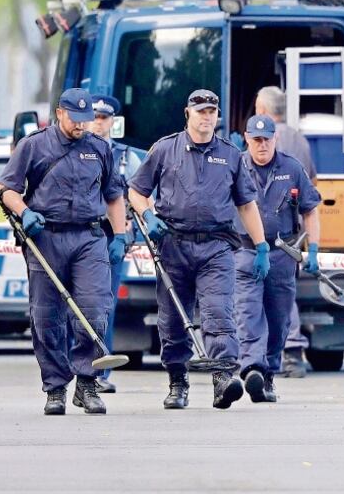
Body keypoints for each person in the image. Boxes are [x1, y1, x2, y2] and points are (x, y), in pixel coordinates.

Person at [127, 89, 268, 411]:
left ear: (217, 116)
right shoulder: (165, 149)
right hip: (173, 245)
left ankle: (223, 380)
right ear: (187, 113)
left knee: (219, 313)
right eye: (201, 111)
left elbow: (246, 205)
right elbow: (136, 192)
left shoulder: (231, 155)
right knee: (174, 320)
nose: (206, 116)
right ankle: (178, 381)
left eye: (211, 111)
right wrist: (148, 216)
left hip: (217, 247)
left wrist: (260, 246)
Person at [0, 88, 128, 416]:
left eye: (86, 120)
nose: (81, 126)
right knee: (46, 316)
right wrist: (24, 211)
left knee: (95, 309)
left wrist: (121, 236)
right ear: (59, 113)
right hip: (46, 238)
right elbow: (6, 188)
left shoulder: (99, 149)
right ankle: (55, 386)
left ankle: (86, 382)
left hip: (89, 238)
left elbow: (113, 195)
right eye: (75, 119)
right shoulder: (34, 145)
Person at [234, 115, 321, 403]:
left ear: (275, 139)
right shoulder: (235, 166)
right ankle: (252, 368)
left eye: (266, 140)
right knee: (247, 313)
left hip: (282, 254)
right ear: (247, 139)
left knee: (279, 319)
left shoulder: (292, 168)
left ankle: (268, 371)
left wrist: (315, 248)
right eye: (256, 140)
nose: (262, 145)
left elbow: (310, 209)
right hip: (245, 252)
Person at [255, 85, 316, 378]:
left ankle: (288, 351)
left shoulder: (261, 144)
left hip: (269, 233)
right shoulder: (301, 140)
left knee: (271, 293)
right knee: (282, 293)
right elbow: (312, 185)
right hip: (294, 231)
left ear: (264, 111)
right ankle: (281, 353)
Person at [87, 94, 139, 394]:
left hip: (112, 236)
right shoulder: (75, 151)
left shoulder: (123, 157)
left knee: (105, 303)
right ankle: (77, 366)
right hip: (82, 233)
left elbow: (140, 193)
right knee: (78, 301)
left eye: (103, 117)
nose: (98, 121)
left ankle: (101, 371)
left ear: (112, 121)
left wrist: (127, 227)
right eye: (93, 115)